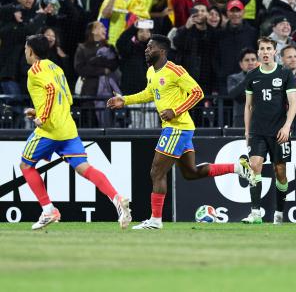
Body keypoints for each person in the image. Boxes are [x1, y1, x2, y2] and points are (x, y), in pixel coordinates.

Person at [106, 35, 253, 230]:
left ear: (162, 51)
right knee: (190, 172)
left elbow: (197, 93)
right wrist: (124, 100)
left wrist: (175, 111)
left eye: (150, 47)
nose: (146, 50)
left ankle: (156, 221)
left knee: (156, 172)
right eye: (147, 47)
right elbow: (149, 93)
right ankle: (237, 167)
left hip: (177, 127)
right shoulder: (151, 71)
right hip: (179, 128)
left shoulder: (175, 70)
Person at [20, 34, 131, 230]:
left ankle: (48, 210)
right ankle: (116, 197)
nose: (25, 52)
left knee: (26, 166)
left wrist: (42, 118)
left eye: (26, 48)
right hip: (68, 128)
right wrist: (37, 111)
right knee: (84, 168)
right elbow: (67, 98)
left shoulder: (35, 70)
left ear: (31, 51)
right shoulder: (56, 68)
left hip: (49, 130)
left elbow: (52, 91)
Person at [242, 37, 296, 225]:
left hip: (279, 132)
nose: (265, 52)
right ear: (258, 52)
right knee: (254, 166)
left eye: (268, 48)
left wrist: (287, 126)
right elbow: (248, 107)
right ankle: (255, 213)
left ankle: (279, 213)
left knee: (280, 171)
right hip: (258, 131)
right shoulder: (252, 76)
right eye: (262, 49)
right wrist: (247, 132)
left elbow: (293, 103)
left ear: (275, 52)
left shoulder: (285, 74)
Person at [227, 48, 258, 127]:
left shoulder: (265, 77)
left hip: (262, 118)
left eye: (253, 59)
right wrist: (247, 79)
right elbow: (232, 94)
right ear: (241, 64)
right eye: (247, 60)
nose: (250, 62)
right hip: (241, 120)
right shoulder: (233, 78)